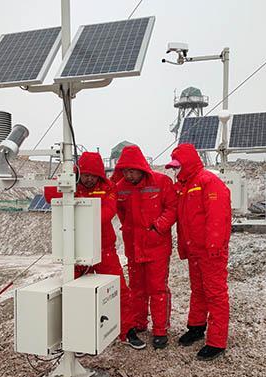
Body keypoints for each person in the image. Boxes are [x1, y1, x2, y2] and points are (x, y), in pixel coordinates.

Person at [44, 151, 145, 350]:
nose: (89, 179)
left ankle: (127, 330)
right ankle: (77, 333)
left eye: (93, 175)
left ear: (100, 175)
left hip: (104, 249)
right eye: (86, 175)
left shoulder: (108, 188)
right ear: (79, 172)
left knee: (119, 290)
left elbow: (107, 213)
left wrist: (78, 214)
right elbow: (48, 195)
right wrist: (65, 178)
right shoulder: (71, 185)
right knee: (74, 292)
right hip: (76, 251)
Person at [166, 143, 231, 361]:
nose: (175, 171)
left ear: (187, 163)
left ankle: (217, 341)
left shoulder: (208, 181)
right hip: (195, 249)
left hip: (211, 251)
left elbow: (218, 215)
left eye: (177, 166)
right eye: (173, 167)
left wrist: (215, 245)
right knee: (198, 290)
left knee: (215, 293)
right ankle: (196, 327)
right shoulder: (184, 186)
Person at [114, 145, 177, 349]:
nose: (128, 175)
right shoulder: (121, 187)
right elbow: (121, 211)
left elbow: (172, 208)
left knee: (158, 289)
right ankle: (139, 323)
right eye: (125, 171)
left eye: (131, 171)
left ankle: (160, 330)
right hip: (134, 247)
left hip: (156, 247)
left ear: (141, 167)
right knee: (136, 289)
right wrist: (128, 229)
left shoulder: (162, 182)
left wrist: (157, 228)